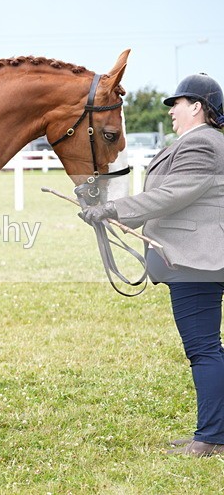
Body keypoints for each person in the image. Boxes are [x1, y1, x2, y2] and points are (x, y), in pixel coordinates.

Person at [82, 73, 224, 456]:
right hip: (194, 258)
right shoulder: (201, 142)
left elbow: (169, 196)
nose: (172, 112)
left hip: (195, 260)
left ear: (197, 107)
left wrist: (111, 210)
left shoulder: (202, 145)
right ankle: (214, 432)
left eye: (176, 104)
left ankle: (211, 438)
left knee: (204, 348)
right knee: (208, 347)